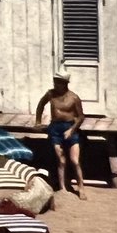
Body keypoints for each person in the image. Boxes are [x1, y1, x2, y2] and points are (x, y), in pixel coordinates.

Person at [34, 70, 87, 200]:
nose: (56, 85)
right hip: (56, 128)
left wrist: (72, 130)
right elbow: (41, 105)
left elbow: (80, 117)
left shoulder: (73, 97)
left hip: (70, 127)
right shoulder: (51, 94)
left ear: (65, 84)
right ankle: (62, 187)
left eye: (58, 83)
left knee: (74, 160)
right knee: (61, 160)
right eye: (55, 82)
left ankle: (81, 187)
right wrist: (38, 121)